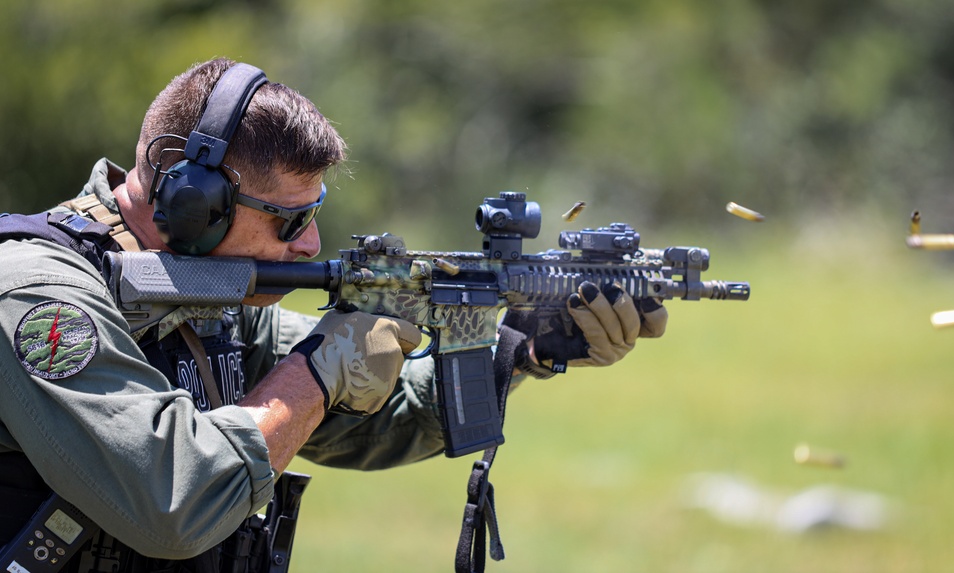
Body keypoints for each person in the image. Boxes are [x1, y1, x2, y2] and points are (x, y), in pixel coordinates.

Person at [0, 58, 667, 572]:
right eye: (288, 219)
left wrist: (525, 346)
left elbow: (376, 418)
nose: (311, 243)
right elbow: (175, 498)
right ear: (193, 201)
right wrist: (319, 372)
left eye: (313, 214)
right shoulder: (35, 295)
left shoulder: (213, 301)